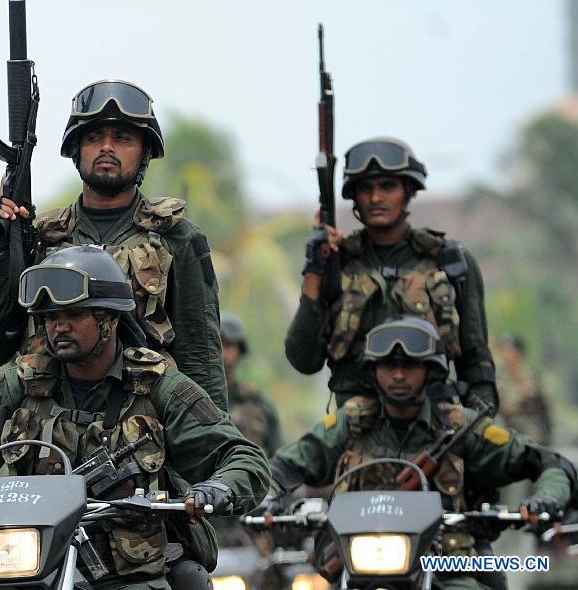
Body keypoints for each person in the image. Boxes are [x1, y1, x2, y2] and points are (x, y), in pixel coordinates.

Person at [0, 246, 270, 589]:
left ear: (108, 318)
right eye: (50, 318)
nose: (59, 327)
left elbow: (243, 456)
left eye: (73, 315)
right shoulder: (20, 384)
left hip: (130, 576)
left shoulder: (158, 385)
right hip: (31, 566)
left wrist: (218, 489)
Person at [0, 79, 228, 411]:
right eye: (94, 138)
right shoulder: (39, 238)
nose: (107, 147)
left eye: (122, 138)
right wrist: (1, 249)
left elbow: (201, 363)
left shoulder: (177, 238)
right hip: (45, 437)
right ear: (76, 150)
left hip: (143, 440)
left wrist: (210, 450)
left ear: (145, 151)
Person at [272, 316, 575, 589]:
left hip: (447, 564)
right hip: (360, 568)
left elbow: (548, 462)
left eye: (410, 365)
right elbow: (284, 466)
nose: (399, 375)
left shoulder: (459, 427)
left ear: (430, 371)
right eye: (390, 366)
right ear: (374, 371)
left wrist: (546, 498)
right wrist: (268, 497)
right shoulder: (348, 423)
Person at [285, 136, 497, 414]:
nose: (376, 198)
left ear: (408, 191)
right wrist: (315, 268)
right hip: (352, 435)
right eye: (366, 188)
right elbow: (304, 359)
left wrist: (480, 428)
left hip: (432, 430)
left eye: (388, 186)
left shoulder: (450, 262)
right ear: (354, 197)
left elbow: (475, 361)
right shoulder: (337, 266)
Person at [220, 312, 282, 456]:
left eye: (228, 345)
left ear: (239, 351)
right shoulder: (190, 399)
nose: (222, 353)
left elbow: (278, 461)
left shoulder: (259, 404)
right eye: (217, 344)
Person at [496, 335, 552, 446]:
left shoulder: (530, 377)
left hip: (528, 427)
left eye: (509, 351)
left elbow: (544, 406)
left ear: (518, 354)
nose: (505, 355)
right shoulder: (499, 377)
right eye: (504, 351)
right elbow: (503, 406)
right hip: (504, 425)